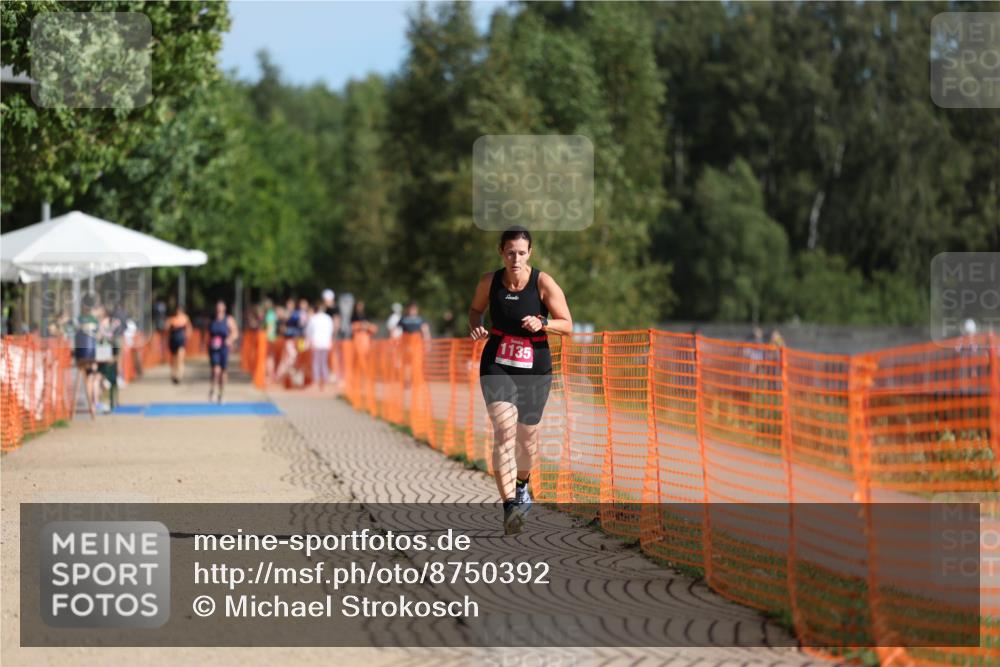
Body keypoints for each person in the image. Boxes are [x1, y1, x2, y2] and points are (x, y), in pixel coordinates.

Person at [469, 226, 573, 535]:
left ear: (530, 253)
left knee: (527, 439)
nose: (516, 258)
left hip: (535, 366)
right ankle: (511, 506)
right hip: (497, 362)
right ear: (501, 251)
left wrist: (543, 322)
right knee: (504, 431)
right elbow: (475, 311)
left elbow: (567, 324)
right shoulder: (489, 282)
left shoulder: (543, 283)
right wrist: (476, 326)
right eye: (510, 252)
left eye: (522, 253)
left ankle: (522, 484)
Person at [73, 295, 102, 419]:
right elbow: (100, 336)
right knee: (92, 377)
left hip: (80, 356)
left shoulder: (78, 319)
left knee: (88, 378)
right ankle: (94, 404)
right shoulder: (95, 320)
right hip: (91, 355)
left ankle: (92, 405)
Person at [208, 300, 238, 403]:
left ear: (224, 308)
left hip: (224, 348)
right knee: (215, 370)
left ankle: (221, 393)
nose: (219, 310)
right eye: (218, 308)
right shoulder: (212, 319)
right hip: (214, 348)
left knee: (223, 372)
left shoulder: (228, 319)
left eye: (221, 308)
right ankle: (212, 390)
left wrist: (230, 339)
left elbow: (235, 332)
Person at [305, 301, 335, 390]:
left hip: (316, 343)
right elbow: (331, 330)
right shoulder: (328, 318)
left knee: (316, 362)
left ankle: (317, 380)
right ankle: (324, 380)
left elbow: (309, 331)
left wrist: (308, 341)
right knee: (323, 362)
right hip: (325, 343)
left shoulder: (313, 318)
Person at [166, 305, 192, 384]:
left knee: (180, 358)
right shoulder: (171, 319)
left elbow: (189, 328)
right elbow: (166, 328)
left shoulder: (185, 318)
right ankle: (173, 374)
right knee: (174, 359)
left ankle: (179, 375)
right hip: (173, 340)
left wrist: (186, 336)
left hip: (181, 341)